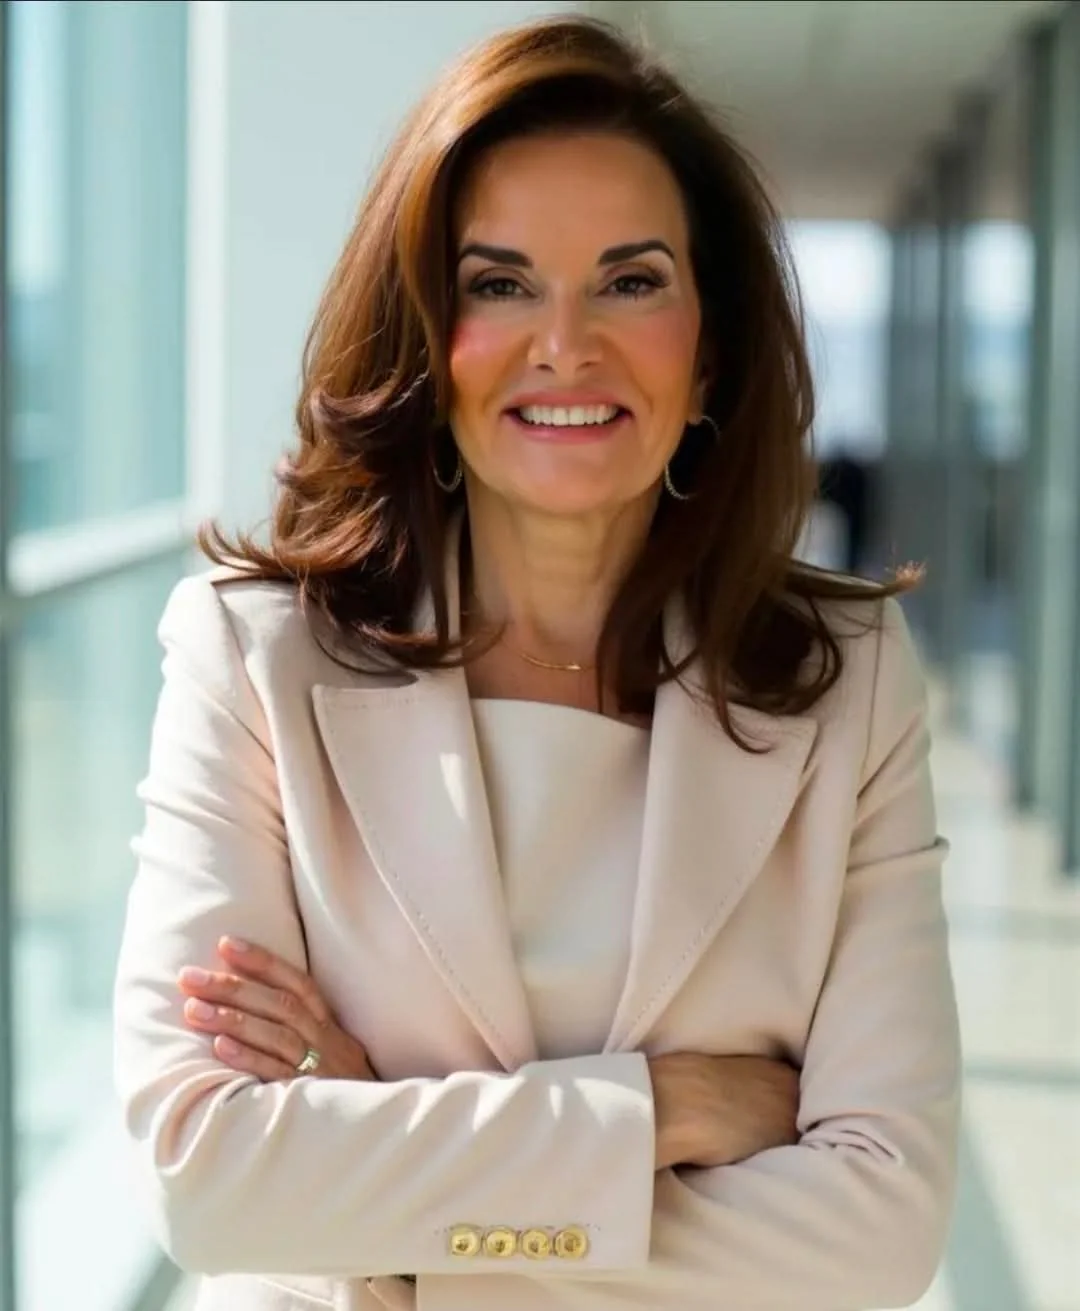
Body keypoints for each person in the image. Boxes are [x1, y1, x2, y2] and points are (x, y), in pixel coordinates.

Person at [113, 16, 961, 1311]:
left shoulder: (850, 676)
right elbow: (206, 1177)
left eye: (631, 281)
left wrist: (393, 1198)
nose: (566, 344)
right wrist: (654, 1112)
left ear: (713, 345)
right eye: (499, 283)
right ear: (423, 338)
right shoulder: (252, 654)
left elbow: (881, 1234)